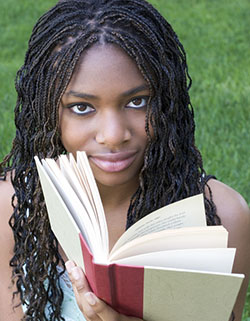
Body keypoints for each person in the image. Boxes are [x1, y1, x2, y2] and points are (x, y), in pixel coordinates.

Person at [0, 0, 249, 320]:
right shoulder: (12, 206)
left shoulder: (223, 219)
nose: (113, 134)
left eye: (137, 101)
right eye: (81, 107)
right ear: (48, 113)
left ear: (167, 102)